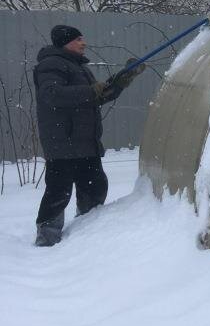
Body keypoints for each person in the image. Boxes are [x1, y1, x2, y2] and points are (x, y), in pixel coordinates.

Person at [32, 25, 145, 246]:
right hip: (63, 142)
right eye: (78, 39)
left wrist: (123, 78)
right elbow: (51, 94)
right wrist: (92, 91)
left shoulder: (79, 68)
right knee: (58, 192)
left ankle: (87, 234)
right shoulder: (50, 65)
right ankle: (46, 239)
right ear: (65, 42)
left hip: (85, 142)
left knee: (95, 187)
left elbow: (96, 96)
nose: (84, 43)